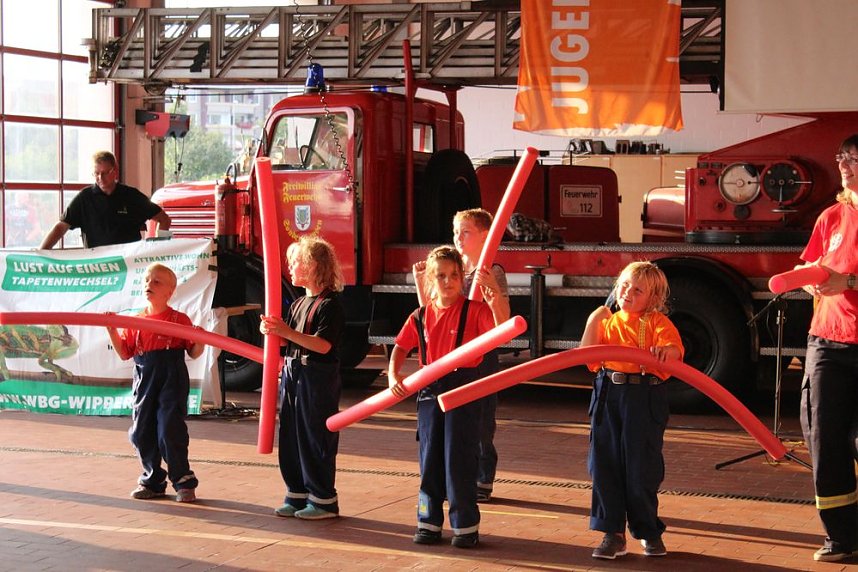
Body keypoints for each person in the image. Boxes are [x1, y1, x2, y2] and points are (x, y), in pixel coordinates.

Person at [390, 245, 505, 548]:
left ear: (462, 278)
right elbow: (401, 346)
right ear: (430, 278)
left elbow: (502, 331)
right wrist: (393, 375)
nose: (448, 281)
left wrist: (495, 296)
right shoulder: (420, 315)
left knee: (460, 458)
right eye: (441, 275)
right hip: (429, 390)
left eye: (454, 275)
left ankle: (465, 526)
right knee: (430, 459)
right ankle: (427, 522)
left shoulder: (475, 311)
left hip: (463, 388)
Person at [579, 261, 684, 559]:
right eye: (624, 285)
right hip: (607, 393)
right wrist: (593, 320)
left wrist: (666, 352)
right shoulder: (608, 322)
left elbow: (675, 351)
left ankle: (648, 530)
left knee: (642, 468)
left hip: (643, 396)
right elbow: (588, 358)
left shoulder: (657, 323)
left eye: (638, 290)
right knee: (604, 464)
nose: (628, 292)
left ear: (653, 298)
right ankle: (612, 533)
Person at [413, 208, 510, 503]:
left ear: (485, 236)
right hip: (449, 355)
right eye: (456, 231)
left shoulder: (491, 271)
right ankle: (453, 474)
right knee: (451, 419)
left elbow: (501, 319)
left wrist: (491, 292)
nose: (458, 237)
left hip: (479, 355)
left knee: (480, 416)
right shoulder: (450, 269)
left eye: (465, 231)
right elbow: (432, 314)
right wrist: (420, 282)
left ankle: (482, 474)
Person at [794, 134, 858, 562]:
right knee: (824, 437)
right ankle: (841, 538)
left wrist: (848, 282)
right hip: (827, 342)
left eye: (852, 158)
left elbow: (842, 277)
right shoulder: (832, 216)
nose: (843, 165)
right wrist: (808, 279)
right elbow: (811, 264)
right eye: (841, 157)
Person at [259, 236, 345, 520]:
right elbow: (293, 341)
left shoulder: (329, 305)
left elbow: (323, 345)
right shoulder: (297, 304)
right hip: (293, 373)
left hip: (317, 378)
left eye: (295, 262)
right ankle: (296, 493)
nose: (290, 267)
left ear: (313, 265)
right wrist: (274, 332)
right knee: (291, 435)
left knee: (314, 436)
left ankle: (322, 499)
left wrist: (285, 332)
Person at [105, 263, 204, 503]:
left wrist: (200, 339)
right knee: (141, 431)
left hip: (171, 377)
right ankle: (153, 481)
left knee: (170, 428)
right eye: (147, 280)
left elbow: (194, 352)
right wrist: (112, 330)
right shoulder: (136, 320)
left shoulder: (179, 319)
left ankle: (183, 480)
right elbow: (124, 352)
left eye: (156, 281)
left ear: (170, 292)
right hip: (145, 378)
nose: (149, 284)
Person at [40, 150, 171, 249]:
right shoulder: (84, 198)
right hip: (98, 266)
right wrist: (41, 253)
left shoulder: (132, 196)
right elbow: (61, 227)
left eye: (104, 173)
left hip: (129, 264)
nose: (100, 178)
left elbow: (164, 219)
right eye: (96, 173)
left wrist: (159, 248)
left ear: (115, 172)